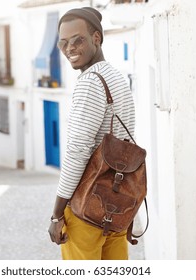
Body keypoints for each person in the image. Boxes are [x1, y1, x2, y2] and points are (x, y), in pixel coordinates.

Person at [48, 7, 136, 260]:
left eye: (78, 40)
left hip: (87, 210)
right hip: (117, 206)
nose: (69, 49)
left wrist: (57, 213)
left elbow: (78, 152)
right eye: (63, 43)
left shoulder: (90, 82)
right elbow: (128, 145)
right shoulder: (117, 78)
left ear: (97, 38)